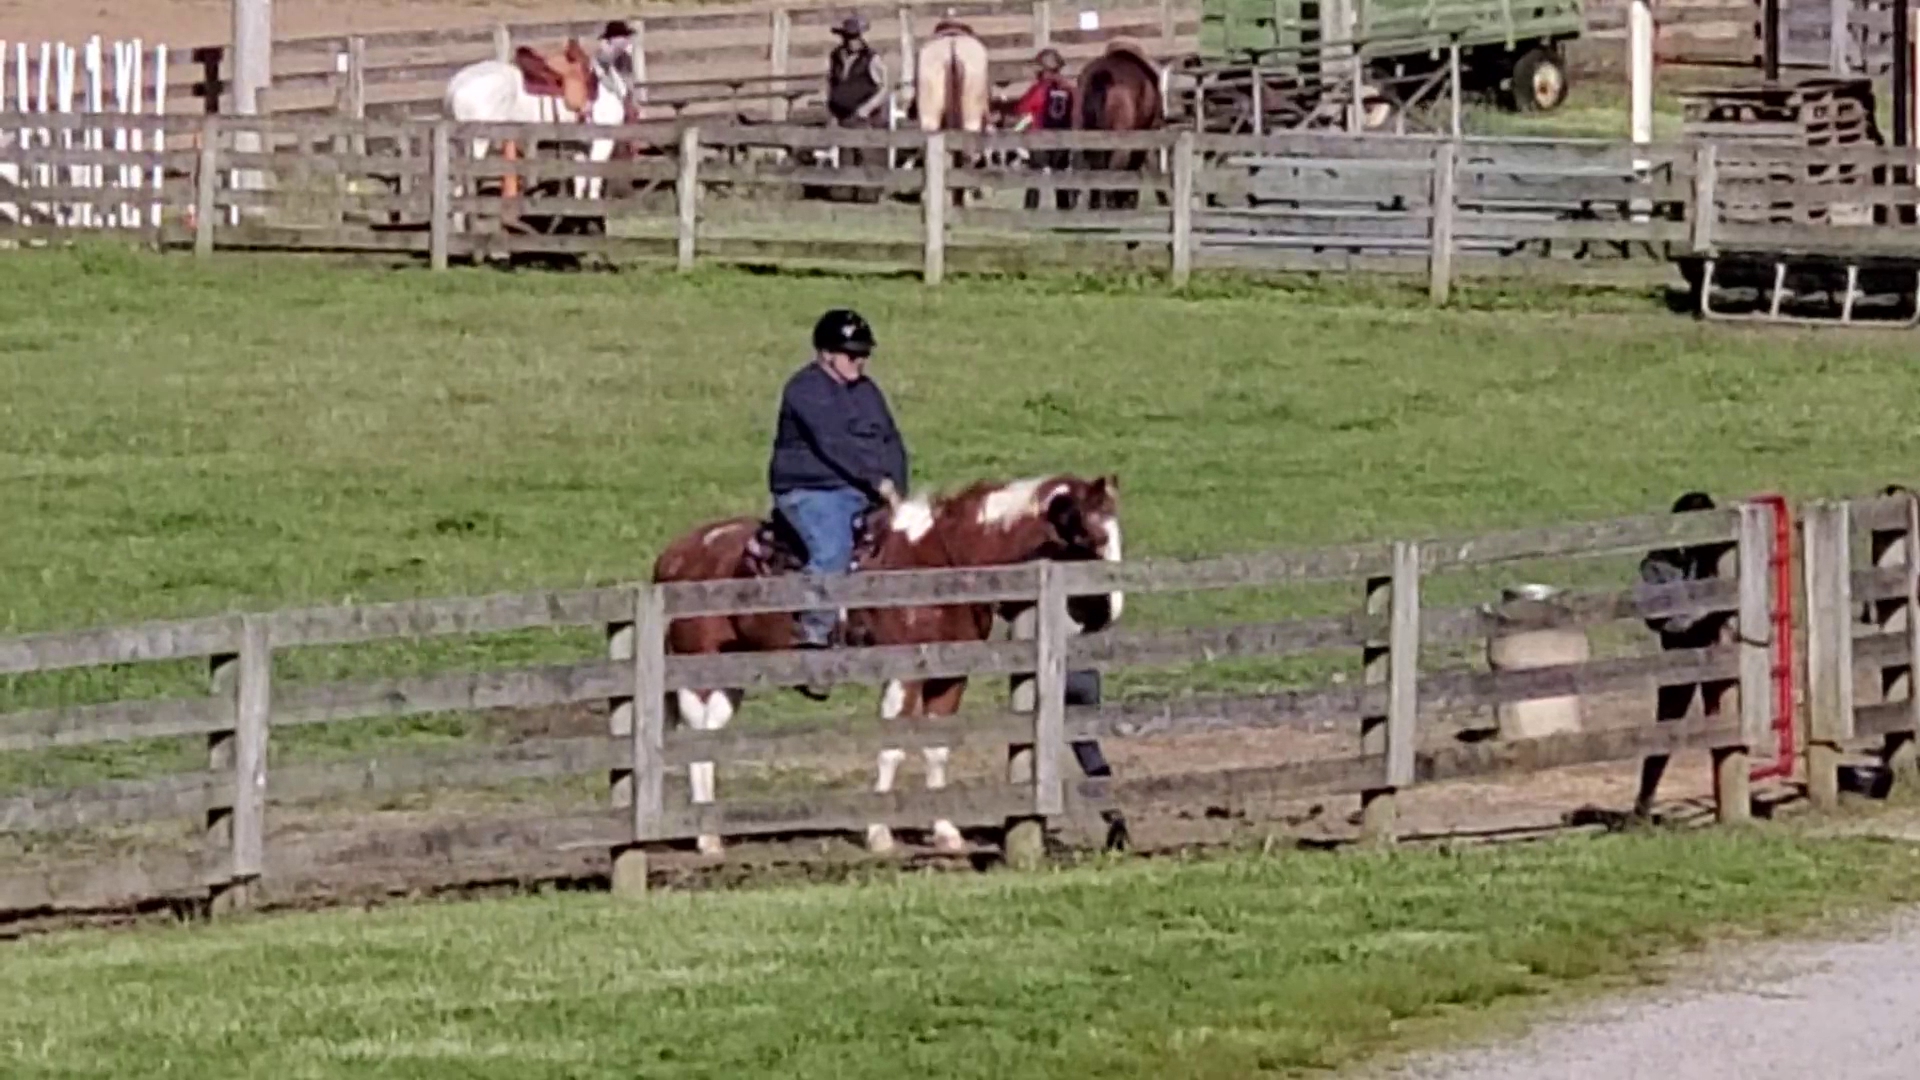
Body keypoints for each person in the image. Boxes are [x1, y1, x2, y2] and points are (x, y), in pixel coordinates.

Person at [769, 309, 909, 691]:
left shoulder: (867, 392)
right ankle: (813, 640)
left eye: (864, 354)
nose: (859, 361)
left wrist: (898, 487)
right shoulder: (804, 390)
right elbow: (834, 444)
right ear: (826, 354)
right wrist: (880, 484)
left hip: (863, 490)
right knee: (832, 550)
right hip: (811, 490)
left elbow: (891, 440)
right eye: (851, 354)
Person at [1633, 490, 1737, 818]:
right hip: (1681, 647)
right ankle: (1645, 799)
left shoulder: (1719, 556)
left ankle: (1730, 799)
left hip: (1713, 642)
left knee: (1723, 719)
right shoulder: (1660, 563)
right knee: (1669, 722)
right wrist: (1702, 615)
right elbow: (1660, 617)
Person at [1008, 49, 1077, 210]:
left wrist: (1015, 126)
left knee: (1034, 179)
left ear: (1044, 69)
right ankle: (1064, 211)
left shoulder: (1039, 88)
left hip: (1039, 137)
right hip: (1061, 139)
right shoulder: (1069, 88)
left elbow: (1024, 109)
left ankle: (1030, 211)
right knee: (1060, 180)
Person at [826, 15, 889, 128]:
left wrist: (865, 109)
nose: (851, 41)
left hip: (863, 117)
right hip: (839, 115)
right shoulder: (836, 56)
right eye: (848, 37)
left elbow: (883, 89)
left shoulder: (871, 58)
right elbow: (831, 83)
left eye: (855, 37)